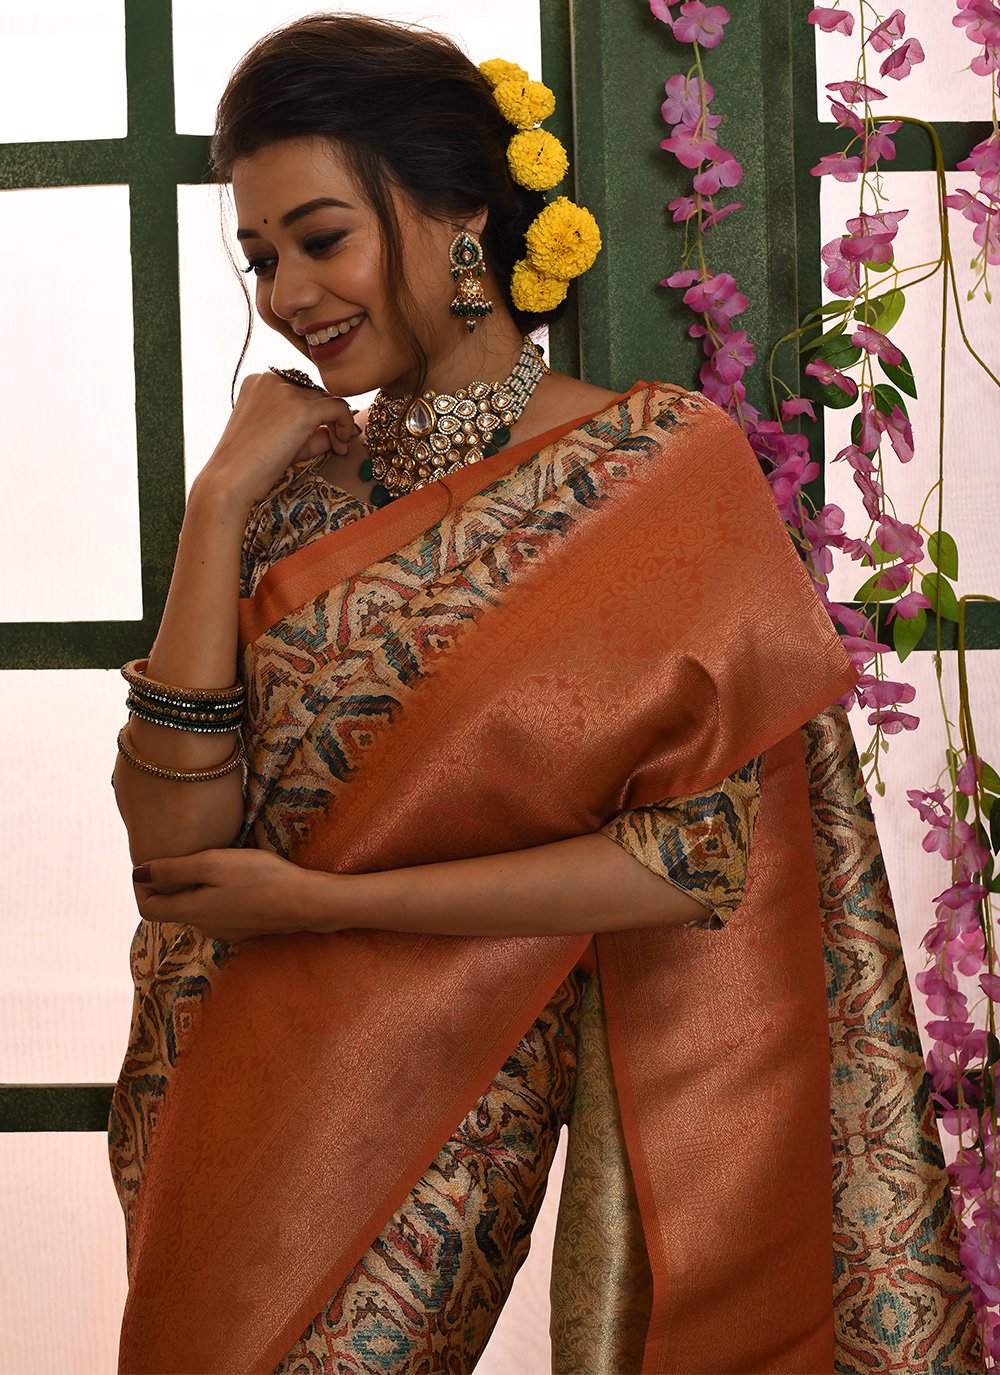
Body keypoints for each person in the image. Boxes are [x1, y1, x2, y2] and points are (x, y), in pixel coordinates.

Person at [108, 14, 981, 1375]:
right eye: (262, 257)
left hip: (448, 1083)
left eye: (322, 238)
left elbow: (691, 863)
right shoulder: (285, 490)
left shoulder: (652, 468)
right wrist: (218, 500)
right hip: (217, 1075)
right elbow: (173, 848)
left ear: (462, 215)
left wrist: (323, 906)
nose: (287, 294)